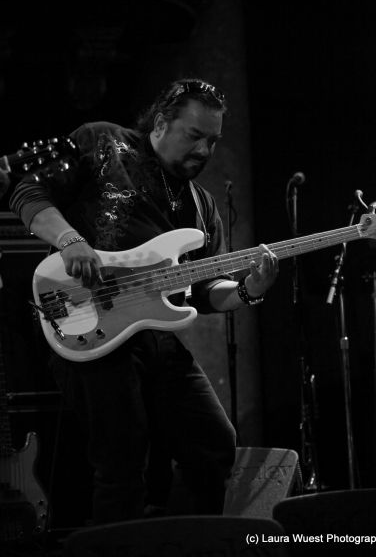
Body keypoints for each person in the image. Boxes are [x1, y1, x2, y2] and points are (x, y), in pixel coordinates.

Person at [9, 78, 279, 525]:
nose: (204, 150)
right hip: (89, 324)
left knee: (213, 443)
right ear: (160, 124)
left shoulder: (202, 206)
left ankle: (192, 544)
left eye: (213, 141)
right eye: (194, 135)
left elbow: (206, 293)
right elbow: (28, 192)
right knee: (121, 463)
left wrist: (250, 288)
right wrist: (70, 240)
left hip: (156, 338)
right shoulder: (104, 142)